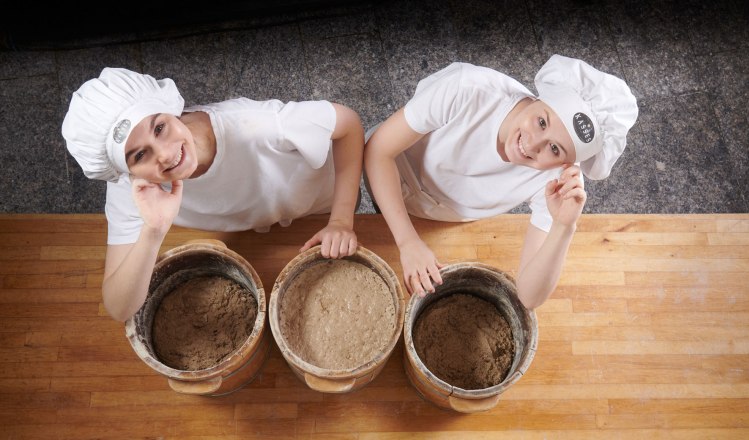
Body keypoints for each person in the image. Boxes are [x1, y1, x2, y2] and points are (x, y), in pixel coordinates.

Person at [62, 68, 365, 322]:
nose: (166, 154)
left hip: (324, 205)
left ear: (169, 110)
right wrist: (152, 232)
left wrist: (341, 218)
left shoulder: (254, 126)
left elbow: (348, 124)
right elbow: (119, 307)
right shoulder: (130, 191)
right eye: (140, 155)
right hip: (259, 228)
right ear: (125, 171)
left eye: (160, 128)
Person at [364, 54, 638, 309]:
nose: (533, 144)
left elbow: (529, 296)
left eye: (555, 149)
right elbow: (378, 151)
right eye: (542, 122)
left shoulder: (557, 182)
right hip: (388, 173)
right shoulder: (466, 89)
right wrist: (408, 242)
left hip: (445, 217)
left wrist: (564, 226)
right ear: (538, 100)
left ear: (567, 163)